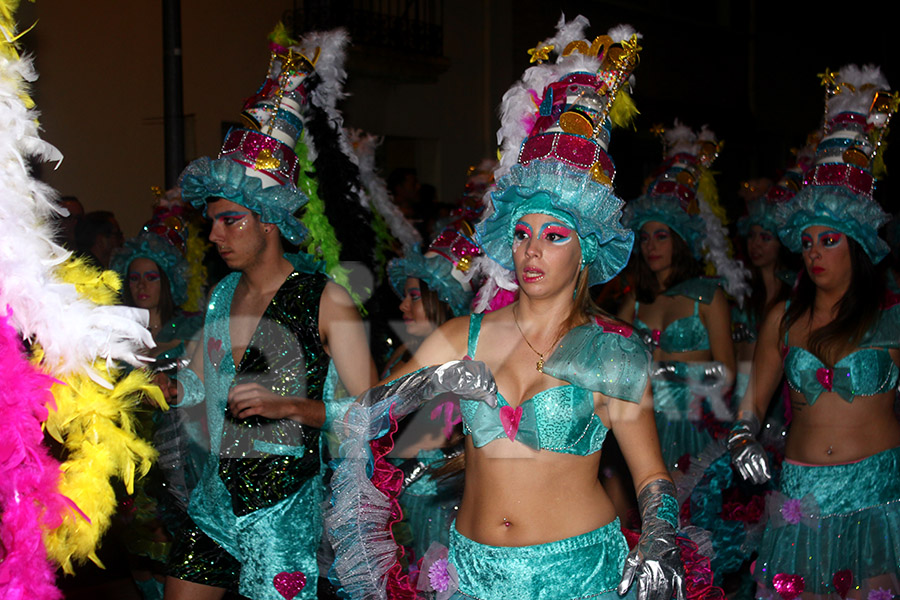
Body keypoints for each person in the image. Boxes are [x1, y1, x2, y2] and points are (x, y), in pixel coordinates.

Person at [325, 19, 695, 600]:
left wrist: (659, 540)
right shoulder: (461, 336)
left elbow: (650, 477)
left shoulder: (613, 350)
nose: (532, 251)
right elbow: (359, 420)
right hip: (472, 575)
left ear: (588, 249)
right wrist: (425, 385)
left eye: (555, 235)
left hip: (579, 575)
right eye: (523, 234)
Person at [162, 28, 377, 600]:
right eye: (212, 222)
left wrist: (292, 406)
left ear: (270, 220)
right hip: (213, 502)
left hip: (283, 518)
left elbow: (374, 416)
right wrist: (161, 385)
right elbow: (199, 389)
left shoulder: (325, 298)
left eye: (230, 220)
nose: (214, 235)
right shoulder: (219, 296)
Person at [729, 64, 900, 600]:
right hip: (801, 495)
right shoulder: (784, 316)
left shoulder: (891, 314)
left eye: (830, 240)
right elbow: (750, 406)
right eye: (807, 242)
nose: (815, 252)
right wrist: (740, 439)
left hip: (876, 493)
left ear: (858, 247)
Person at [619, 122, 740, 471]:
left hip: (695, 427)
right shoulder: (634, 302)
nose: (651, 246)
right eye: (645, 238)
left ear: (679, 240)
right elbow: (613, 365)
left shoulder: (708, 297)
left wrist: (675, 372)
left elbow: (729, 373)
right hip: (643, 424)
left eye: (661, 236)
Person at [384, 223, 481, 561]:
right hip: (397, 503)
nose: (403, 307)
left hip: (435, 509)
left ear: (440, 302)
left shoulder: (461, 368)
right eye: (404, 297)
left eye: (414, 297)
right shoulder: (400, 356)